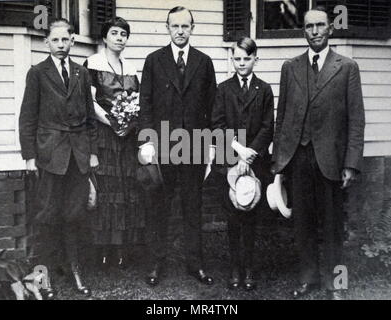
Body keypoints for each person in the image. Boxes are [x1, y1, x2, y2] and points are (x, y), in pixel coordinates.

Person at [271, 7, 365, 300]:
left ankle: (337, 284)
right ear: (304, 30)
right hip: (298, 158)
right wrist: (280, 162)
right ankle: (308, 279)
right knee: (303, 224)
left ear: (330, 29)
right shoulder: (291, 67)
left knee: (334, 226)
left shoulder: (347, 67)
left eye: (320, 25)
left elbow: (356, 119)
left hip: (331, 161)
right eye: (309, 26)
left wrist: (351, 163)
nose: (314, 31)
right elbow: (282, 116)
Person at [19, 18, 98, 298]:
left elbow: (90, 119)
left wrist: (92, 154)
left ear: (73, 41)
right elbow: (27, 118)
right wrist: (29, 156)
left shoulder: (81, 73)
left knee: (74, 215)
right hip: (50, 156)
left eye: (66, 40)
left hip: (78, 156)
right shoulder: (37, 73)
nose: (61, 45)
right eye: (56, 40)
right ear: (46, 42)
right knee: (47, 217)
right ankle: (42, 277)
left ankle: (74, 270)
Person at [139, 6, 217, 286]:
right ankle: (155, 265)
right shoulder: (154, 61)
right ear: (167, 28)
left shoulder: (204, 62)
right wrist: (147, 140)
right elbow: (145, 104)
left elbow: (212, 108)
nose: (180, 31)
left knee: (192, 208)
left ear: (192, 28)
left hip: (194, 146)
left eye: (185, 26)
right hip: (163, 147)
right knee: (158, 209)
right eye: (175, 26)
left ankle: (195, 265)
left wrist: (210, 147)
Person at [211, 37, 274, 290]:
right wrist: (238, 150)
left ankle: (249, 268)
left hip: (256, 162)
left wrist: (252, 153)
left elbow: (268, 127)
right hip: (230, 160)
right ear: (231, 59)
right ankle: (234, 268)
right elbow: (217, 124)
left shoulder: (264, 89)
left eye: (247, 58)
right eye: (237, 58)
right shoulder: (223, 89)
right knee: (233, 217)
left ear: (255, 59)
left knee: (250, 217)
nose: (241, 63)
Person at [84, 17, 145, 269]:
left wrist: (129, 121)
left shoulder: (130, 68)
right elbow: (90, 100)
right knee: (108, 191)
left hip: (126, 137)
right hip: (105, 135)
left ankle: (124, 249)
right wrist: (112, 121)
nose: (119, 38)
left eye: (123, 34)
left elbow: (138, 100)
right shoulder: (93, 63)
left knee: (127, 190)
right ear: (104, 37)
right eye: (115, 33)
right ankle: (104, 251)